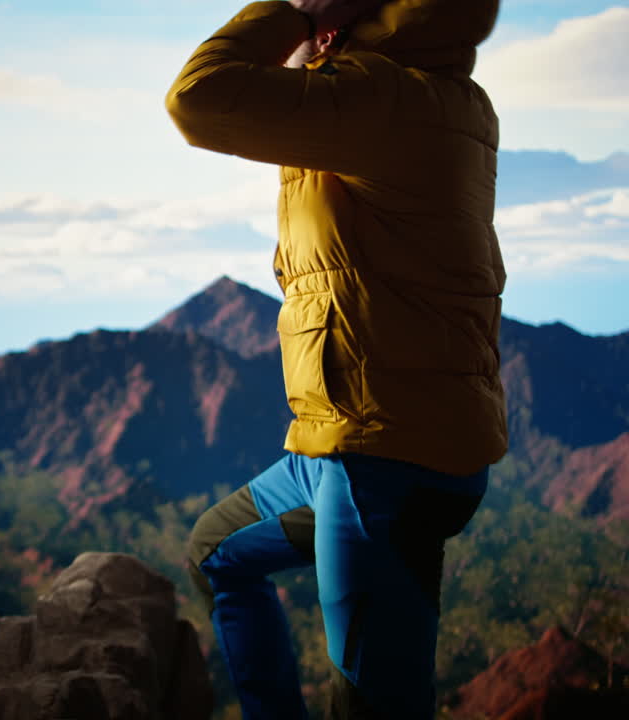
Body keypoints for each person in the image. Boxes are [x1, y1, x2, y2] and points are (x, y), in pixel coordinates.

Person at [164, 1, 507, 718]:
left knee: (374, 704)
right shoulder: (438, 97)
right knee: (216, 552)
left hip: (382, 463)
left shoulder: (380, 98)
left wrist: (288, 13)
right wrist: (313, 34)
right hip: (351, 444)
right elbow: (284, 103)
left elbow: (197, 98)